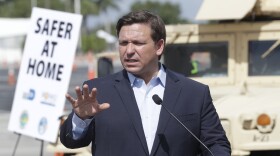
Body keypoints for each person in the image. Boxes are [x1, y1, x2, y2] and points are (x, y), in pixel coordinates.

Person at [60, 10, 231, 156]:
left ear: (159, 46)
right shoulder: (96, 91)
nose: (129, 51)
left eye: (138, 43)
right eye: (123, 43)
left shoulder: (194, 93)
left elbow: (217, 144)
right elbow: (70, 141)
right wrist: (82, 118)